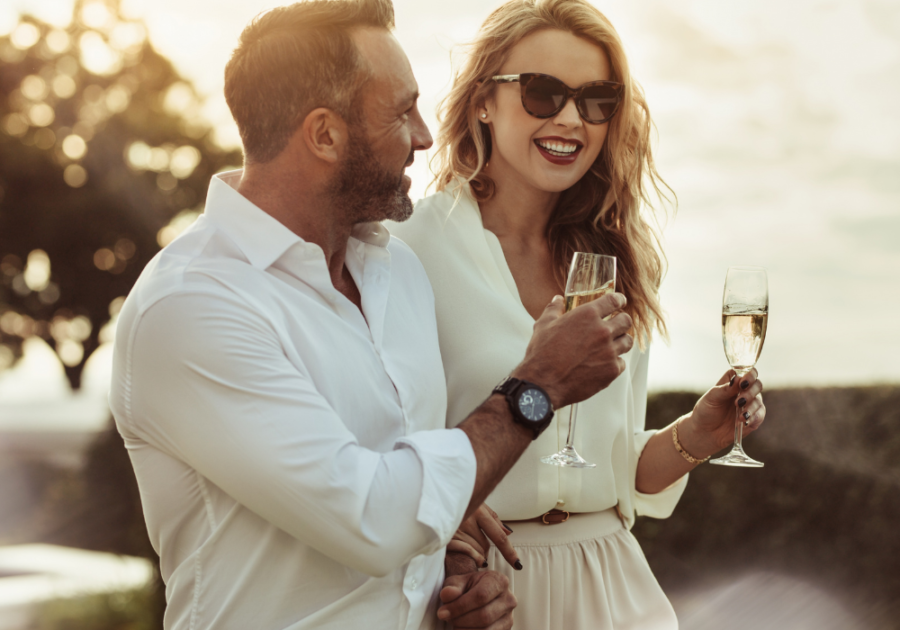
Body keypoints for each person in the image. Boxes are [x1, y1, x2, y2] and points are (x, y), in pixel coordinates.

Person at [108, 1, 635, 629]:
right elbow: (374, 520)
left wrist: (455, 571)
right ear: (325, 134)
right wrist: (539, 385)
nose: (425, 134)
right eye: (400, 111)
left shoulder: (395, 273)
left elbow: (415, 482)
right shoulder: (193, 308)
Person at [389, 0, 767, 628]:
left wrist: (696, 436)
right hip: (480, 589)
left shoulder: (613, 258)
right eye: (543, 93)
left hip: (614, 584)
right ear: (483, 100)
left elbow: (614, 474)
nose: (571, 118)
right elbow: (378, 449)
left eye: (596, 100)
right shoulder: (408, 248)